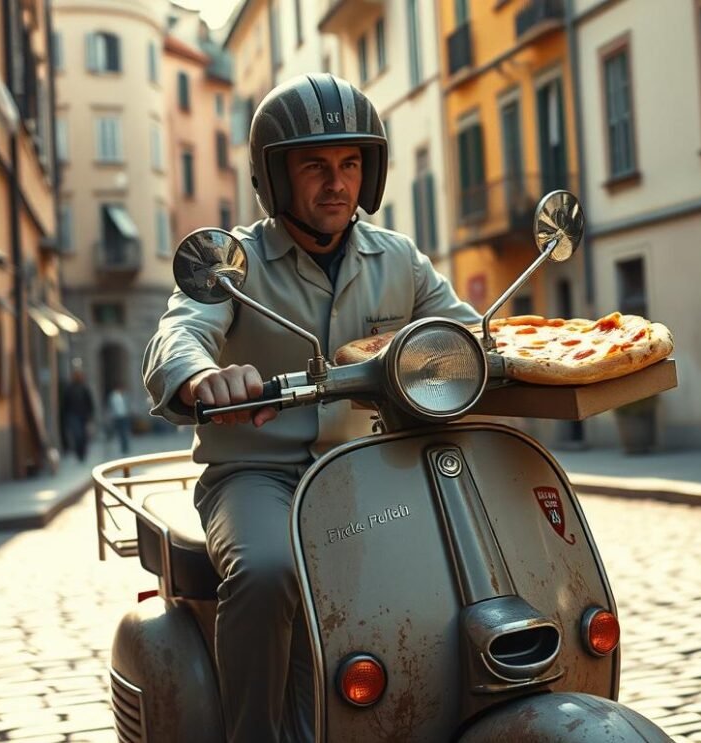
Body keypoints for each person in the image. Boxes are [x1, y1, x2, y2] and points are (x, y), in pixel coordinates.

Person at [142, 74, 479, 742]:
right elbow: (177, 335)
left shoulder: (399, 259)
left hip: (367, 471)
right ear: (274, 177)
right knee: (269, 570)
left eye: (351, 164)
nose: (337, 182)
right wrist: (204, 378)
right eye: (316, 166)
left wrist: (502, 356)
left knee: (452, 557)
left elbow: (467, 331)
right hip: (255, 474)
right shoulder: (233, 263)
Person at [61, 368, 95, 463]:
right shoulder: (69, 389)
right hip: (73, 416)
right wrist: (65, 417)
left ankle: (82, 453)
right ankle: (79, 453)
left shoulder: (84, 388)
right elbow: (65, 404)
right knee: (77, 435)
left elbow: (90, 403)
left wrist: (90, 416)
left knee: (84, 436)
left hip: (83, 416)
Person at [107, 385, 131, 455]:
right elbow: (110, 406)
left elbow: (127, 405)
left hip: (124, 416)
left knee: (125, 432)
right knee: (120, 433)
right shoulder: (112, 397)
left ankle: (125, 447)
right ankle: (122, 447)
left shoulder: (125, 396)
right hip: (116, 417)